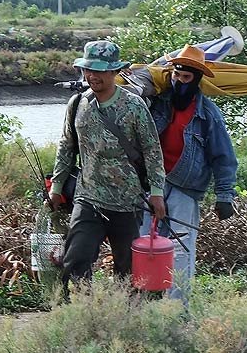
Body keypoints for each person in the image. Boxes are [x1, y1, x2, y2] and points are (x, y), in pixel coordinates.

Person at [49, 40, 167, 292]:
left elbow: (152, 151)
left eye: (100, 71)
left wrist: (157, 193)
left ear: (114, 72)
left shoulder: (134, 106)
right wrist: (56, 186)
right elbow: (66, 146)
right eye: (88, 70)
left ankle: (125, 321)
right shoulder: (77, 104)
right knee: (75, 260)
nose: (92, 76)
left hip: (127, 202)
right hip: (88, 197)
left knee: (128, 270)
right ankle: (83, 313)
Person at [136, 45, 238, 305]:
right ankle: (145, 305)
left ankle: (177, 311)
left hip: (185, 187)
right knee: (144, 245)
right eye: (175, 75)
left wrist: (224, 196)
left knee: (181, 249)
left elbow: (223, 157)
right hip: (152, 184)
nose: (179, 82)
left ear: (196, 79)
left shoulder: (208, 115)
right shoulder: (156, 103)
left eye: (185, 78)